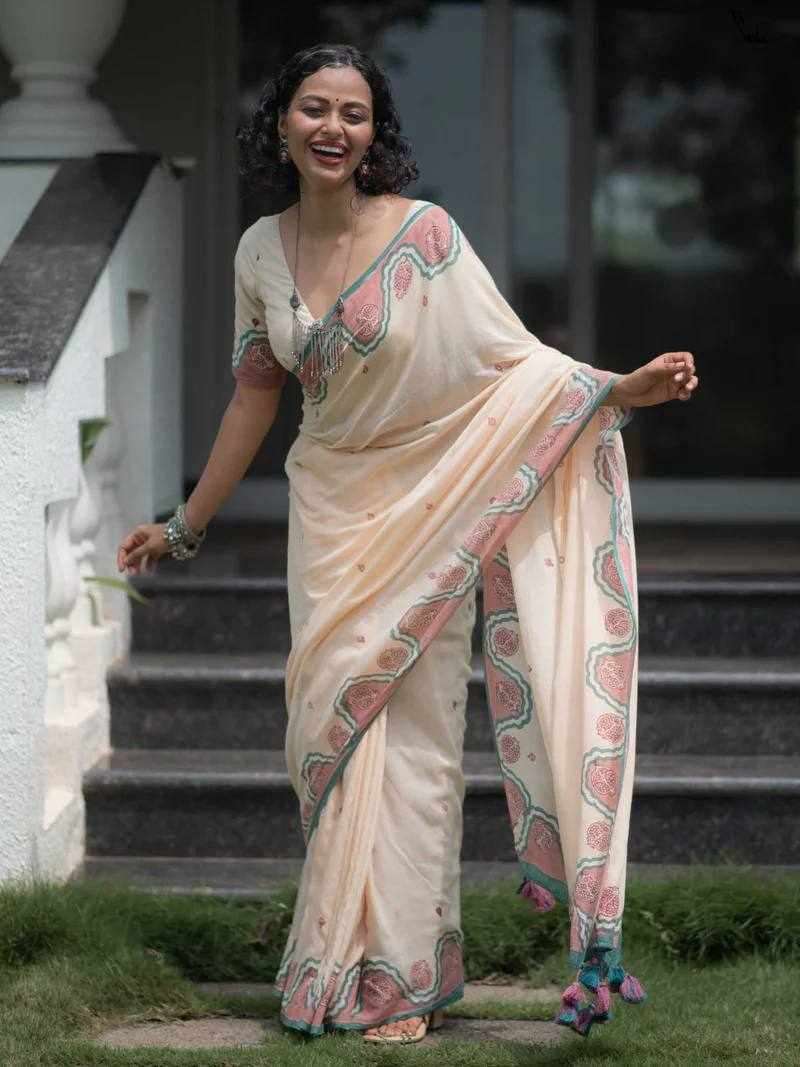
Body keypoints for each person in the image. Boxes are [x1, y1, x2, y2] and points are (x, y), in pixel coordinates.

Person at [117, 43, 699, 1045]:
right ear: (283, 125)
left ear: (373, 133)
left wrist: (616, 389)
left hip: (428, 510)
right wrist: (184, 524)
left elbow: (513, 365)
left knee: (417, 738)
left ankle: (400, 976)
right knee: (330, 729)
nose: (333, 128)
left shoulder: (425, 238)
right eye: (314, 108)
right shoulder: (258, 251)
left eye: (353, 113)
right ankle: (333, 959)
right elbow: (254, 399)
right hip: (328, 514)